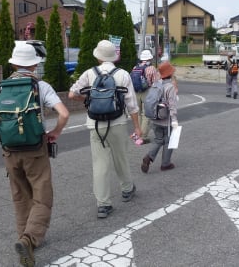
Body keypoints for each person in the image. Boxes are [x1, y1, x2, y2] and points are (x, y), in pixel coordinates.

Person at [3, 44, 69, 267]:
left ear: (13, 64)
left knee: (20, 194)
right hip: (35, 147)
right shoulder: (40, 85)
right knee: (42, 195)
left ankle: (25, 237)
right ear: (34, 65)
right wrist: (56, 132)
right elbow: (64, 113)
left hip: (9, 149)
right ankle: (29, 240)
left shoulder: (1, 87)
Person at [68, 40, 141, 219]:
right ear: (113, 57)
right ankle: (126, 189)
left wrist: (88, 100)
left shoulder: (89, 73)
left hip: (94, 124)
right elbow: (132, 104)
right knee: (120, 158)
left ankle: (103, 204)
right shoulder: (123, 74)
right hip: (117, 122)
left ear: (99, 56)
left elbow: (72, 94)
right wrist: (138, 127)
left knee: (100, 164)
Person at [141, 61, 179, 173]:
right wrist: (175, 121)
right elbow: (172, 105)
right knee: (169, 140)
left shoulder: (156, 84)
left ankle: (148, 157)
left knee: (158, 140)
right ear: (170, 74)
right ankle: (165, 164)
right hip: (166, 120)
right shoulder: (170, 87)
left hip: (154, 118)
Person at [132, 49, 159, 145]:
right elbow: (155, 83)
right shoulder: (151, 68)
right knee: (146, 114)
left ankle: (137, 134)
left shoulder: (135, 67)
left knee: (138, 113)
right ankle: (143, 136)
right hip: (147, 92)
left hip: (136, 92)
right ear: (149, 58)